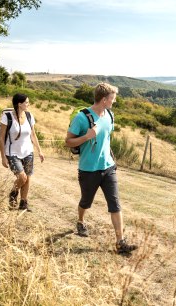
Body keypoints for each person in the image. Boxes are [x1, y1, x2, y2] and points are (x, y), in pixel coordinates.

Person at [65, 82, 137, 255]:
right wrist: (87, 136)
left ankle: (120, 242)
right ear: (104, 99)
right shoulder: (82, 118)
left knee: (115, 204)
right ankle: (81, 221)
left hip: (108, 168)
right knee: (85, 202)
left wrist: (111, 156)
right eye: (112, 98)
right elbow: (68, 142)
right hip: (89, 170)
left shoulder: (110, 116)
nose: (114, 101)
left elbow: (106, 140)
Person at [0, 93, 45, 211]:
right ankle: (13, 193)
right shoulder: (7, 117)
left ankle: (23, 203)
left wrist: (39, 151)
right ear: (19, 104)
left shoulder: (29, 116)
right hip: (12, 153)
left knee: (28, 178)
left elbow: (33, 135)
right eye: (26, 102)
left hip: (28, 151)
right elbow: (1, 137)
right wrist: (3, 157)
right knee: (22, 177)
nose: (28, 104)